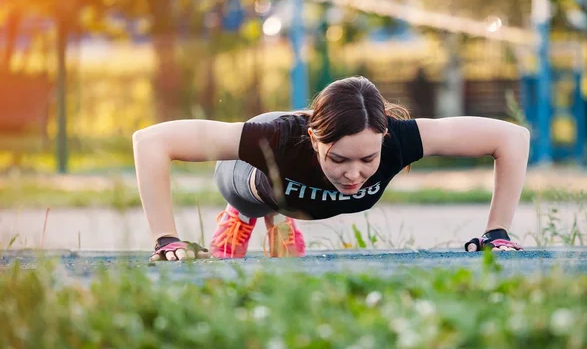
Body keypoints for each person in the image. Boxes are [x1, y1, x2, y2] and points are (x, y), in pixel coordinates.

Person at [132, 76, 529, 262]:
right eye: (339, 159)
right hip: (249, 178)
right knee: (258, 196)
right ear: (315, 140)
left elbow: (512, 138)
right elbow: (150, 141)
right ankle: (251, 215)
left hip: (299, 178)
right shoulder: (278, 138)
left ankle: (282, 221)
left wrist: (496, 233)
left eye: (367, 160)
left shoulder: (402, 138)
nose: (355, 174)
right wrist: (166, 238)